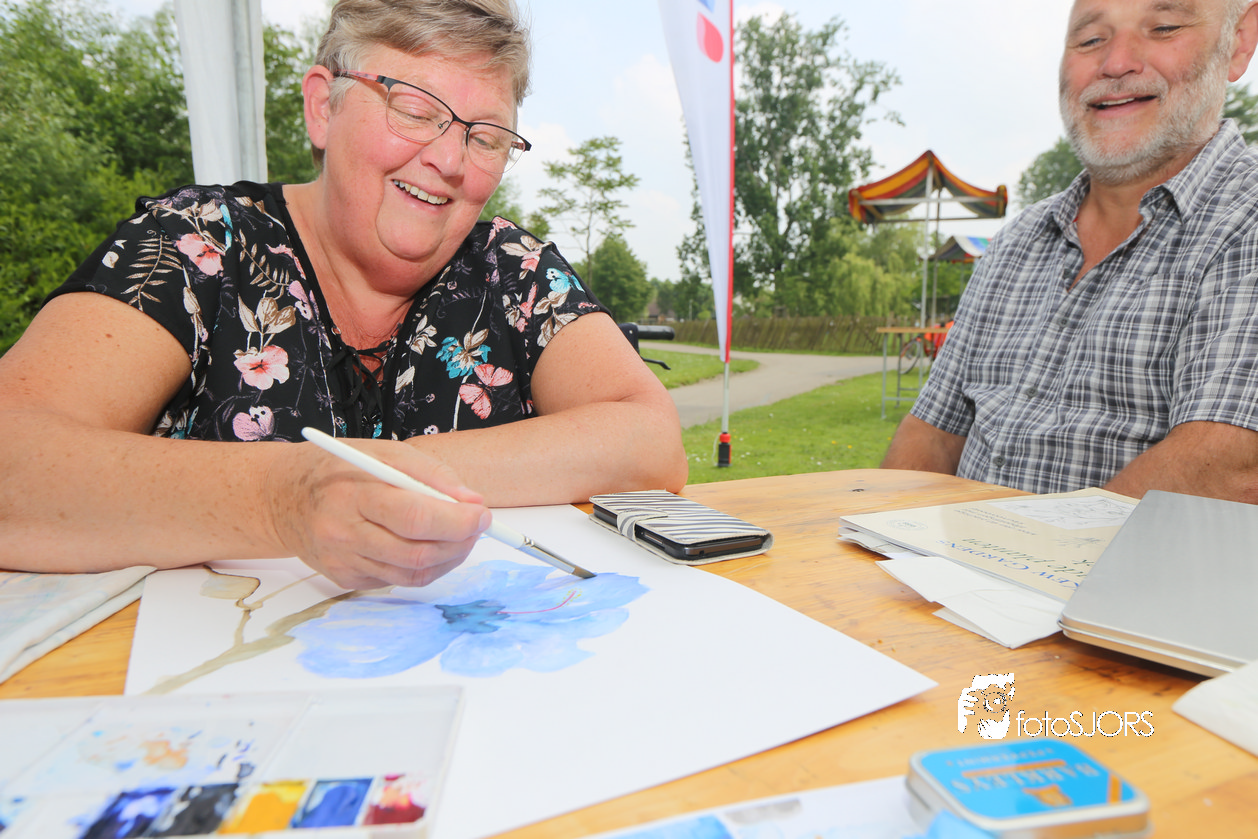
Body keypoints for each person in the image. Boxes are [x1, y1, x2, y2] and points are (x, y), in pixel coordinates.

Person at [0, 0, 687, 588]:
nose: (449, 160)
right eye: (414, 108)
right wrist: (282, 498)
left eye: (486, 138)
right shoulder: (197, 244)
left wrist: (385, 479)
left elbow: (650, 438)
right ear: (321, 108)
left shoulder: (514, 272)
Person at [882, 0, 1258, 503]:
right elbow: (932, 433)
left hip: (1087, 562)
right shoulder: (1017, 241)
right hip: (948, 552)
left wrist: (1005, 550)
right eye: (1090, 39)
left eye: (1163, 27)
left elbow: (1228, 467)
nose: (1116, 63)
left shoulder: (1246, 222)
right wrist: (879, 539)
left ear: (1238, 42)